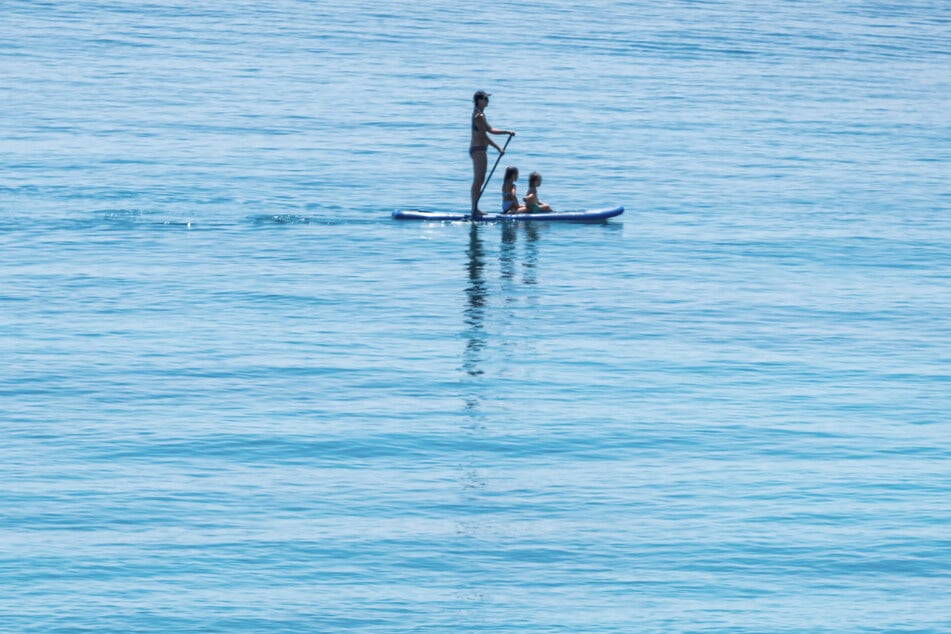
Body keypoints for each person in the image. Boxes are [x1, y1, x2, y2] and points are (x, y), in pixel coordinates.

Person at [470, 90, 515, 218]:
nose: (487, 101)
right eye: (485, 99)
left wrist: (507, 132)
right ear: (479, 101)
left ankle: (474, 208)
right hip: (478, 149)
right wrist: (498, 148)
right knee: (478, 180)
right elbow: (483, 136)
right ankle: (474, 209)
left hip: (479, 149)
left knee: (480, 179)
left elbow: (490, 130)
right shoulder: (478, 116)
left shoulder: (480, 115)